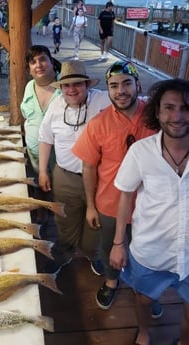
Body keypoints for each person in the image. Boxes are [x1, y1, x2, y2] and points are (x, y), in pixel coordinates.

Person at [72, 60, 162, 317]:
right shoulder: (98, 124)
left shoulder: (157, 118)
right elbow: (88, 168)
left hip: (150, 204)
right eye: (113, 86)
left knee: (149, 250)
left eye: (126, 83)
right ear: (108, 90)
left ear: (138, 84)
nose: (120, 90)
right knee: (109, 246)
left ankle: (146, 290)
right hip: (109, 203)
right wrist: (90, 205)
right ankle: (112, 281)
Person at [110, 78, 189, 345]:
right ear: (157, 112)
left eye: (185, 108)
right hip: (150, 250)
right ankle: (144, 332)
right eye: (168, 107)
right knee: (143, 299)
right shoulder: (141, 152)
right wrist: (119, 243)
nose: (177, 116)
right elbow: (125, 196)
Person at [38, 60, 111, 274]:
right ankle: (63, 255)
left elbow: (135, 100)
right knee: (65, 222)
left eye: (77, 84)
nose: (71, 90)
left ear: (88, 85)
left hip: (99, 179)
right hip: (65, 176)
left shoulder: (103, 100)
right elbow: (45, 137)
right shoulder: (56, 104)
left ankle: (93, 254)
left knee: (95, 226)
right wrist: (43, 170)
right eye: (66, 85)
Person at [20, 45, 61, 236]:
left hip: (59, 157)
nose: (39, 65)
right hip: (34, 154)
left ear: (52, 62)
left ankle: (63, 224)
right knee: (39, 185)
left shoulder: (65, 88)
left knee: (62, 190)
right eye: (33, 62)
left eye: (43, 59)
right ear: (29, 69)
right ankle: (43, 213)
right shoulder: (29, 87)